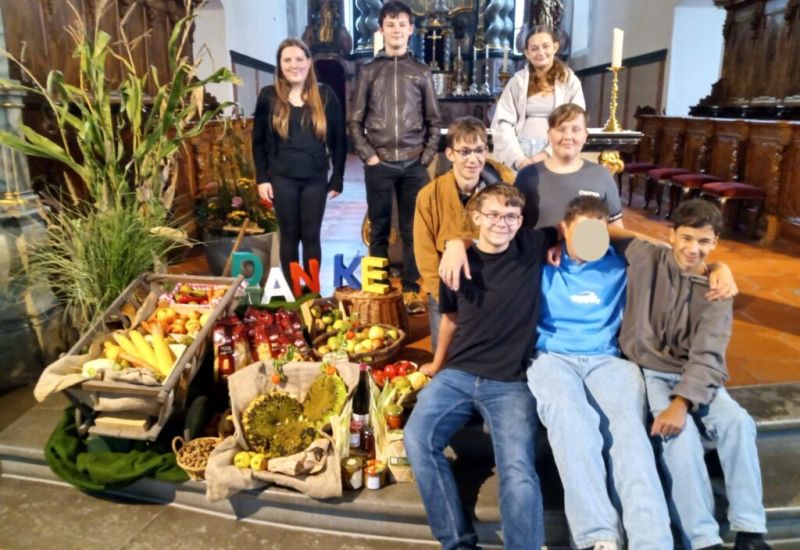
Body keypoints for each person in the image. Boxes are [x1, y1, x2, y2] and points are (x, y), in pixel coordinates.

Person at [404, 184, 557, 550]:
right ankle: (457, 541)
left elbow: (572, 227)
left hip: (510, 381)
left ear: (521, 220)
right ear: (476, 217)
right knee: (417, 438)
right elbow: (450, 318)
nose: (502, 223)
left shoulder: (530, 245)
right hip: (458, 373)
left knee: (517, 468)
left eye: (511, 216)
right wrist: (437, 364)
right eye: (493, 215)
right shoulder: (455, 264)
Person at [618, 199, 770, 550]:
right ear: (671, 235)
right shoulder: (646, 257)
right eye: (686, 238)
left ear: (715, 242)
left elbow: (709, 356)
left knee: (738, 422)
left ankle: (750, 530)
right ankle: (703, 538)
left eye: (704, 242)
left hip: (698, 375)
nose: (693, 249)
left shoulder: (719, 290)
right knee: (680, 437)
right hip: (653, 372)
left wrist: (682, 403)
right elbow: (602, 229)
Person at [526, 196, 673, 550]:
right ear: (564, 229)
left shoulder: (622, 265)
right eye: (581, 233)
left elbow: (675, 255)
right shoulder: (542, 262)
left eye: (598, 233)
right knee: (572, 423)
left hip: (606, 359)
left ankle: (651, 539)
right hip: (552, 357)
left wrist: (719, 269)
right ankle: (598, 536)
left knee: (630, 434)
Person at [439, 103, 623, 290]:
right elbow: (507, 228)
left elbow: (616, 230)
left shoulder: (602, 176)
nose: (568, 136)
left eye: (576, 129)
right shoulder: (528, 176)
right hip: (537, 275)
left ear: (585, 135)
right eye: (561, 129)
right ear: (549, 134)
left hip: (588, 276)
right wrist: (459, 243)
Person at [348, 0, 442, 314]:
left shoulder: (421, 71)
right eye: (390, 24)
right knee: (378, 228)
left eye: (402, 24)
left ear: (411, 29)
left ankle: (413, 288)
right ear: (381, 29)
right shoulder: (369, 71)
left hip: (414, 162)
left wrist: (425, 158)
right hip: (380, 161)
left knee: (413, 229)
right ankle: (377, 287)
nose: (396, 30)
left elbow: (434, 121)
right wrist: (368, 156)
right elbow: (355, 121)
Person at [413, 116, 515, 350]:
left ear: (486, 151)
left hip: (490, 285)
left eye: (479, 150)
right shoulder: (429, 196)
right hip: (446, 288)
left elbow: (512, 237)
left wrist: (463, 242)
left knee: (487, 352)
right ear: (450, 154)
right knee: (446, 354)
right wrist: (443, 298)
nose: (473, 159)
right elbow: (424, 253)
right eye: (464, 152)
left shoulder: (505, 190)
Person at [253, 38, 346, 284]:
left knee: (311, 236)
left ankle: (312, 291)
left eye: (298, 59)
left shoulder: (325, 95)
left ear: (309, 62)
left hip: (315, 178)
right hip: (282, 177)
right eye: (287, 60)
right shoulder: (268, 96)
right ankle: (294, 292)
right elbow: (258, 141)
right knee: (289, 237)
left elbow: (339, 140)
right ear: (280, 65)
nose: (293, 65)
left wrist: (337, 177)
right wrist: (262, 178)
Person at [491, 26, 585, 171]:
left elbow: (575, 121)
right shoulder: (517, 82)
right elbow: (502, 122)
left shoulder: (570, 81)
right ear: (527, 53)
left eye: (545, 46)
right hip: (520, 151)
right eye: (534, 49)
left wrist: (546, 154)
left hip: (555, 152)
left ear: (555, 47)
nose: (540, 53)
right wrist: (519, 159)